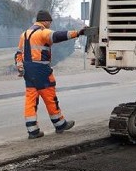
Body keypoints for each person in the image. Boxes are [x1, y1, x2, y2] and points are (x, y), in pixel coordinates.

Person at [15, 10, 85, 139]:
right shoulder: (42, 32)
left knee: (31, 99)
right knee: (50, 97)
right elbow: (58, 36)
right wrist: (77, 33)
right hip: (41, 70)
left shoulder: (24, 34)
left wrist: (20, 67)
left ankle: (33, 131)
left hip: (28, 71)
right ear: (46, 21)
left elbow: (18, 54)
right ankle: (60, 124)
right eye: (50, 22)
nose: (50, 25)